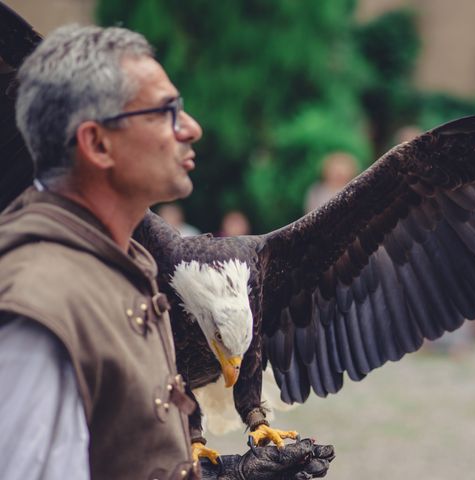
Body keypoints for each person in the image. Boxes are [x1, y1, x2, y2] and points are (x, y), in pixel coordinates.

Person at [0, 24, 332, 480]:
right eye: (165, 112)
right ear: (97, 143)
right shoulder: (39, 307)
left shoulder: (121, 271)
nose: (192, 127)